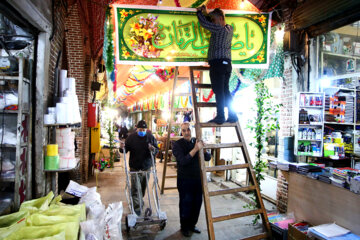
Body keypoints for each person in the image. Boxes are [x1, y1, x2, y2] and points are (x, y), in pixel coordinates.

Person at [196, 5, 238, 124]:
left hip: (218, 64)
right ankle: (232, 115)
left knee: (219, 91)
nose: (213, 23)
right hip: (227, 64)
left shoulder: (218, 29)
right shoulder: (230, 28)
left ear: (220, 18)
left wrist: (199, 12)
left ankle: (220, 116)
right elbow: (210, 21)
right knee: (225, 90)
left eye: (214, 20)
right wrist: (207, 12)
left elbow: (204, 23)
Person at [172, 122, 211, 237]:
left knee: (197, 203)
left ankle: (192, 225)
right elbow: (183, 161)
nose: (186, 132)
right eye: (184, 130)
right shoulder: (177, 144)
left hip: (197, 179)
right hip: (184, 180)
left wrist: (203, 150)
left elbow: (208, 157)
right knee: (185, 204)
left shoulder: (196, 141)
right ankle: (184, 227)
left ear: (191, 130)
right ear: (181, 132)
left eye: (188, 130)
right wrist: (195, 149)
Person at [120, 120, 159, 216]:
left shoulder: (150, 137)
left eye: (144, 129)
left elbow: (156, 150)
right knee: (136, 189)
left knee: (142, 188)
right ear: (137, 128)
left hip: (146, 167)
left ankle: (140, 200)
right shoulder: (131, 138)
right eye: (140, 129)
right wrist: (122, 147)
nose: (142, 131)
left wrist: (152, 149)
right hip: (135, 168)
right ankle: (137, 210)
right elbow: (124, 150)